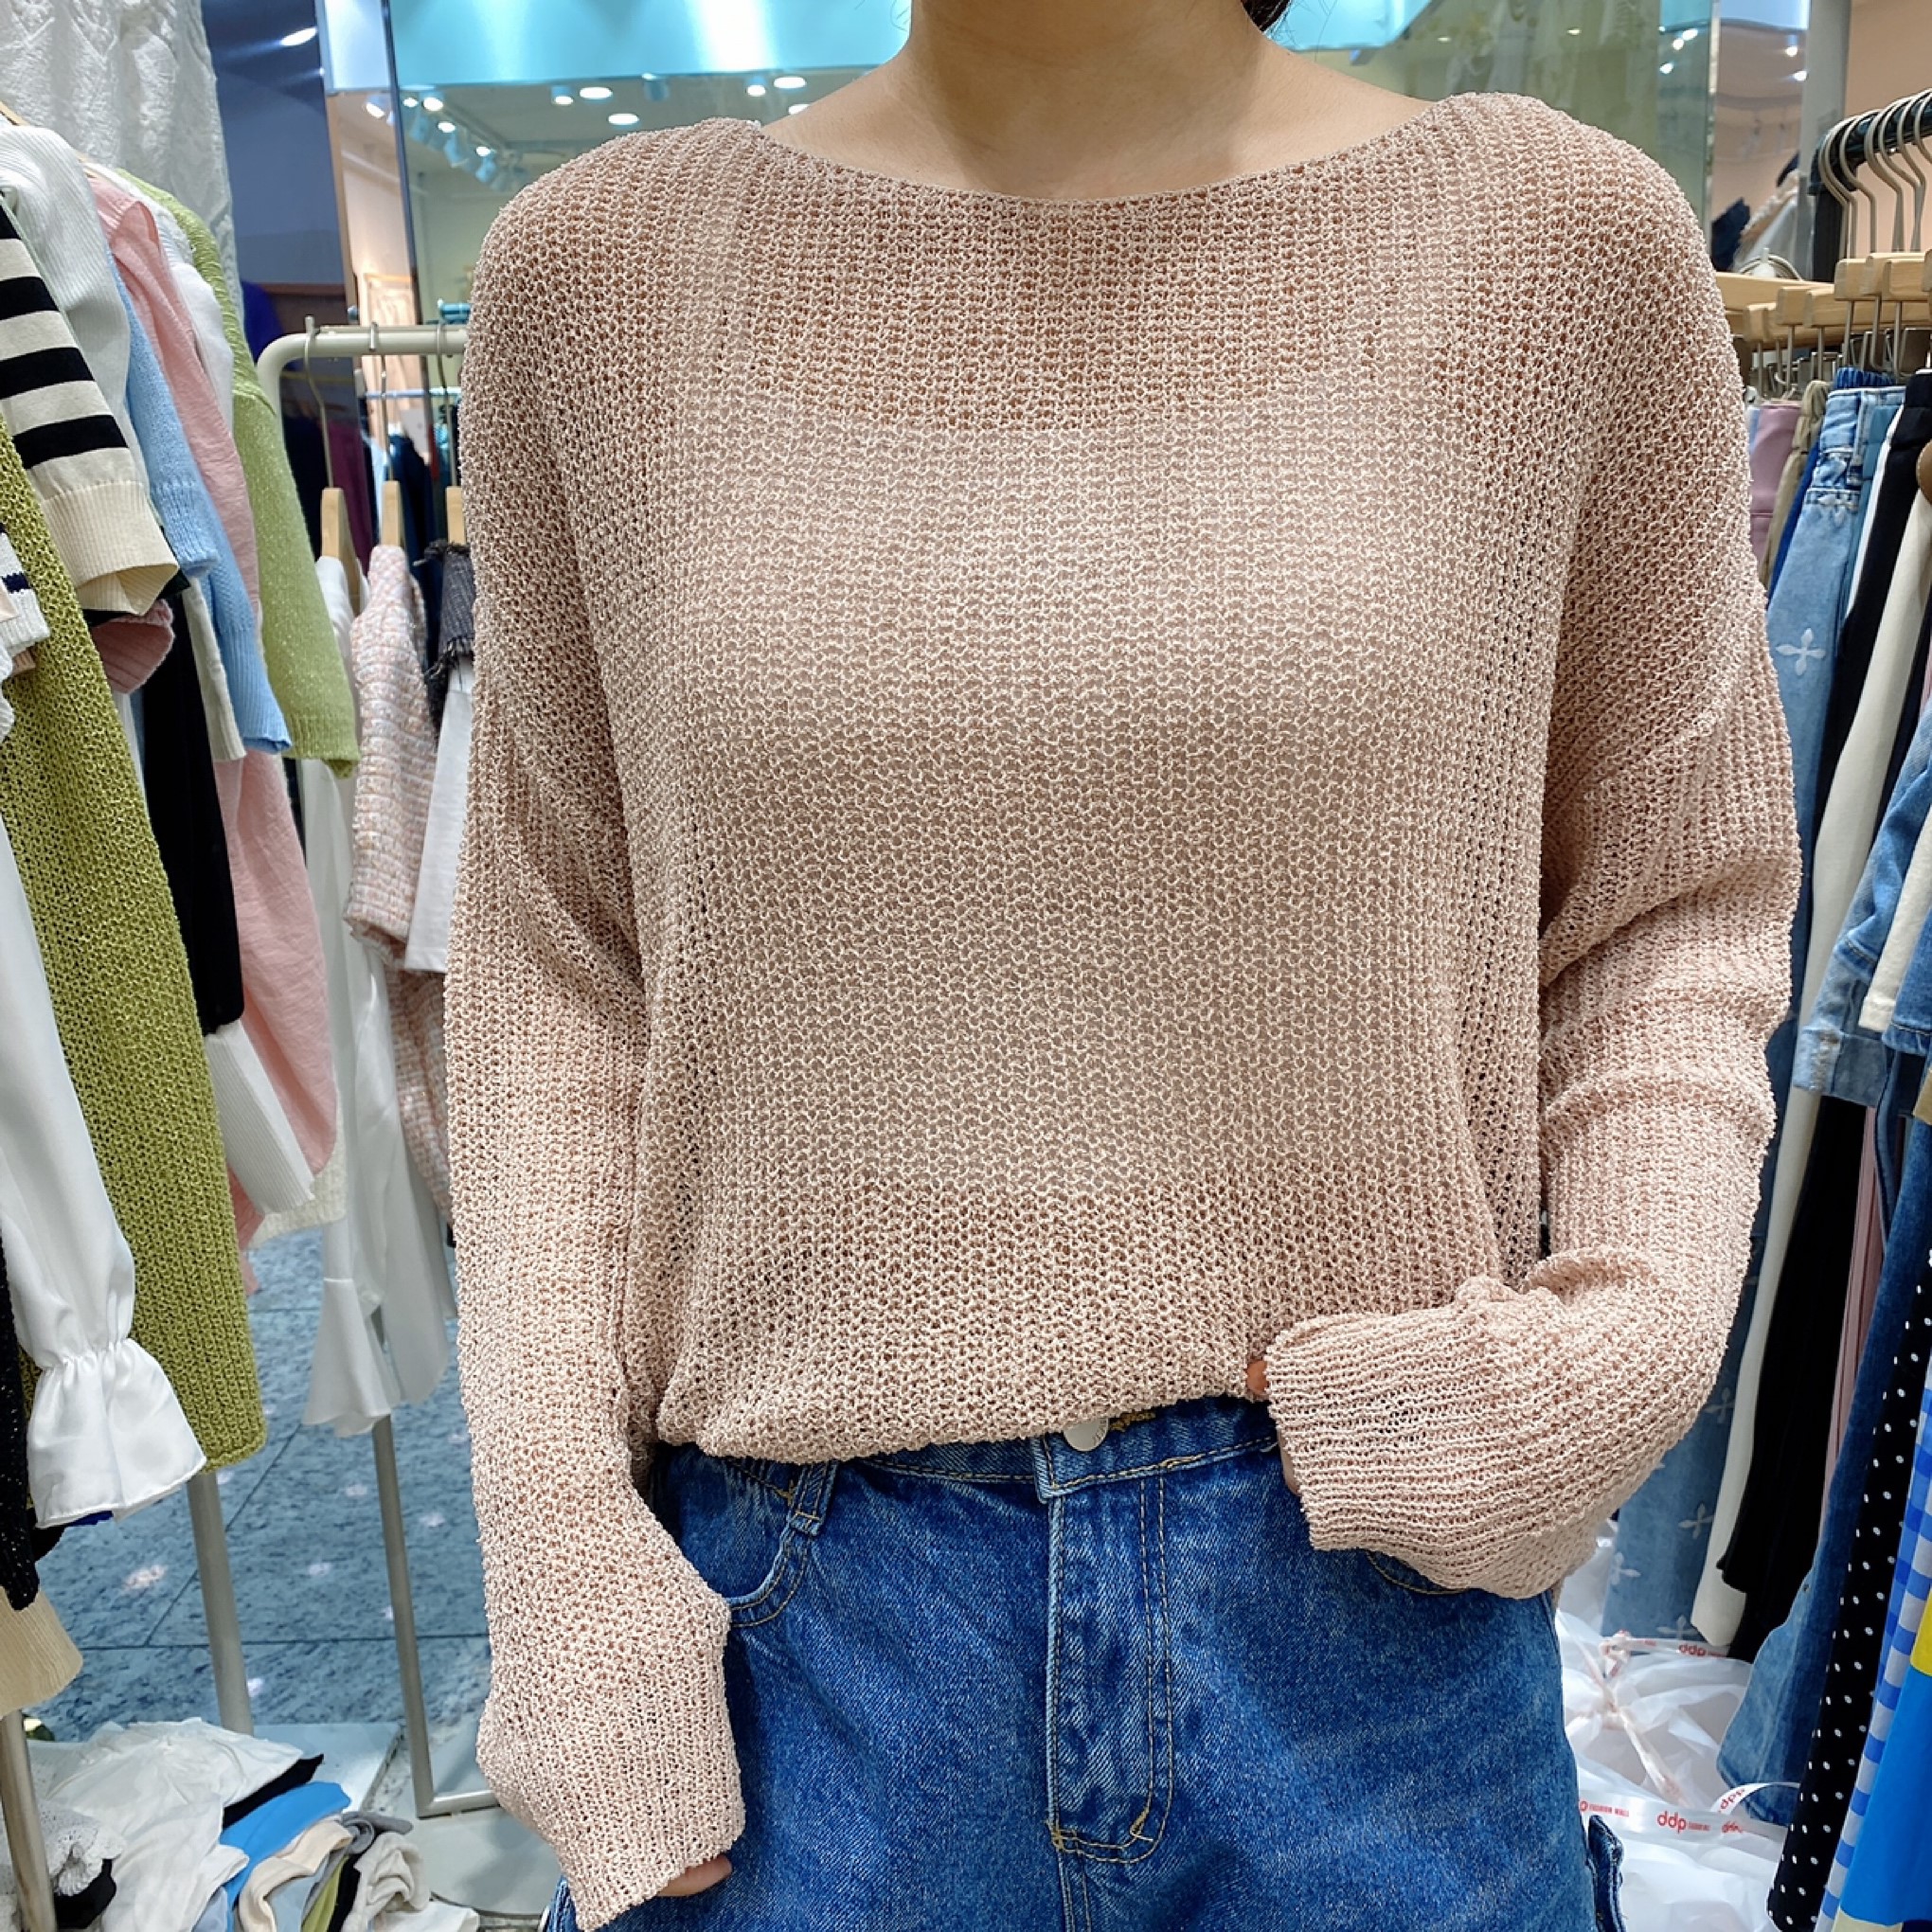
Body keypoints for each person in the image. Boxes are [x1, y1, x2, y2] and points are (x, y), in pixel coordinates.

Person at [442, 0, 1802, 1925]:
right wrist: (559, 1548)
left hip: (1374, 1633)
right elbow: (559, 975)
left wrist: (1620, 1349)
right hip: (803, 1662)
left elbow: (1671, 900)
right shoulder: (597, 280)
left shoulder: (1555, 246)